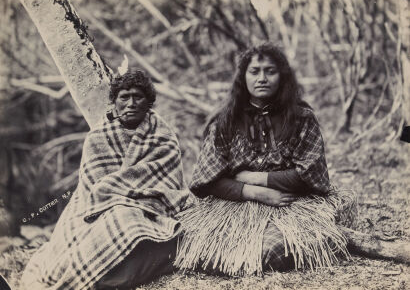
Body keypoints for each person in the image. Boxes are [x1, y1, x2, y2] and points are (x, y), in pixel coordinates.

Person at [176, 42, 352, 275]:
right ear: (243, 77)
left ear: (282, 76)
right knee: (193, 249)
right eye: (254, 71)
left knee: (270, 251)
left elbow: (310, 177)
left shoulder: (301, 118)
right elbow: (205, 181)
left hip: (291, 205)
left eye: (270, 71)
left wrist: (255, 177)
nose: (262, 78)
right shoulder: (225, 120)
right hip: (233, 205)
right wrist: (255, 192)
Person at [21, 70, 189, 289]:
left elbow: (168, 182)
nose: (130, 103)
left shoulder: (162, 136)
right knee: (68, 239)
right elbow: (91, 186)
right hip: (94, 207)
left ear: (148, 102)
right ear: (114, 102)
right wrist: (111, 196)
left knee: (127, 218)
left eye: (137, 97)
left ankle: (114, 273)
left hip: (148, 206)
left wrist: (123, 197)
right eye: (124, 97)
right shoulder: (98, 137)